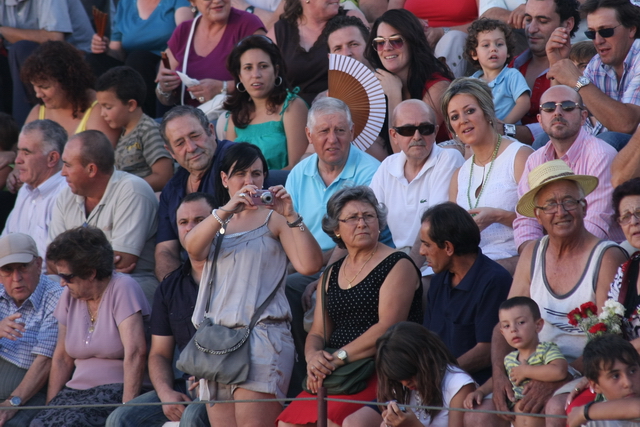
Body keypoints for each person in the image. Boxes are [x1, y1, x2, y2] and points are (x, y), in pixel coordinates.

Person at [468, 160, 627, 427]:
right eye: (550, 205)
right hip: (532, 363)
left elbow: (609, 339)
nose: (560, 211)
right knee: (477, 415)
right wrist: (499, 375)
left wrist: (561, 377)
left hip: (585, 367)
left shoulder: (607, 256)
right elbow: (503, 324)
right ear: (538, 215)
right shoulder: (531, 253)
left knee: (552, 408)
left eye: (569, 201)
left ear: (584, 206)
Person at [184, 142, 323, 426]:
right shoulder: (218, 221)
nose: (249, 182)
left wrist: (292, 215)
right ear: (225, 179)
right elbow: (192, 248)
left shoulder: (276, 219)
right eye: (240, 174)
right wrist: (225, 210)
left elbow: (309, 265)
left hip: (262, 338)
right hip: (217, 342)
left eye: (257, 174)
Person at [277, 186, 423, 427]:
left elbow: (388, 326)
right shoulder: (331, 273)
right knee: (287, 424)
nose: (362, 223)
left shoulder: (398, 264)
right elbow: (317, 332)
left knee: (343, 423)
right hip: (339, 372)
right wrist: (313, 357)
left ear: (379, 222)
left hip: (382, 368)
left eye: (368, 216)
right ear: (336, 229)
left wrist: (337, 358)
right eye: (353, 218)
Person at [283, 97, 385, 397]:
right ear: (309, 135)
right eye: (324, 131)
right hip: (307, 261)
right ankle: (302, 381)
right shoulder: (299, 173)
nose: (332, 139)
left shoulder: (371, 171)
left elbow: (359, 235)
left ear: (352, 132)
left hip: (355, 260)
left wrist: (321, 276)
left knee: (292, 289)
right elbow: (287, 231)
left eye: (340, 130)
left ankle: (317, 382)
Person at [105, 193, 213, 427]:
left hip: (224, 384)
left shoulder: (235, 276)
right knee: (120, 419)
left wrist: (213, 373)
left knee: (193, 418)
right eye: (183, 222)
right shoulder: (170, 287)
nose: (190, 228)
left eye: (199, 220)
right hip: (185, 387)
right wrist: (165, 394)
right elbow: (159, 354)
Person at [31, 226, 150, 427]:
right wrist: (50, 407)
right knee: (38, 424)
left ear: (90, 273)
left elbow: (136, 352)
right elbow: (61, 359)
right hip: (75, 392)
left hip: (116, 390)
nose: (61, 283)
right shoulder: (70, 296)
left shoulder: (123, 288)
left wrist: (126, 410)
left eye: (67, 277)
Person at [48, 130, 159, 304]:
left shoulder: (132, 190)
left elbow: (124, 262)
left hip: (132, 284)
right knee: (46, 287)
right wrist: (96, 265)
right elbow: (53, 261)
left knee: (120, 286)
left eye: (68, 165)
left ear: (91, 169)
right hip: (76, 281)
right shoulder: (65, 196)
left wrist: (70, 267)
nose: (62, 173)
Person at [513, 85, 622, 252]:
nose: (557, 112)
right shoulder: (535, 159)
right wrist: (533, 257)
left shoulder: (600, 154)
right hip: (553, 253)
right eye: (549, 108)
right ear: (540, 120)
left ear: (583, 116)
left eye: (568, 106)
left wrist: (558, 257)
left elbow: (595, 223)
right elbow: (526, 221)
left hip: (602, 253)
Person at [444, 78, 532, 273]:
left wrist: (497, 216)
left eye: (470, 111)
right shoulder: (459, 175)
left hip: (512, 261)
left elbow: (542, 221)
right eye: (455, 116)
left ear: (487, 112)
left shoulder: (519, 156)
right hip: (469, 265)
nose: (463, 120)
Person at [419, 202, 512, 385]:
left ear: (448, 247)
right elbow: (427, 340)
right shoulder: (438, 280)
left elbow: (487, 351)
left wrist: (439, 375)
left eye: (427, 244)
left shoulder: (494, 281)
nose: (421, 251)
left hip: (475, 386)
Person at [370, 99, 464, 253]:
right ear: (394, 135)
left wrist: (409, 269)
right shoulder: (388, 165)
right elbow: (367, 214)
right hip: (402, 257)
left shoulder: (448, 158)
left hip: (438, 255)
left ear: (435, 132)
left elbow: (435, 225)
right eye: (407, 130)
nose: (417, 136)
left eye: (425, 129)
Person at [344, 322, 476, 427]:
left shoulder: (458, 385)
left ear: (425, 359)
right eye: (398, 378)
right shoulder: (400, 383)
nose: (405, 383)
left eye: (409, 375)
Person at [546, 0, 640, 146]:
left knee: (609, 140)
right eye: (591, 33)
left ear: (632, 30)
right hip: (600, 150)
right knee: (547, 139)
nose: (597, 40)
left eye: (606, 31)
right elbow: (564, 113)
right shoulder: (597, 63)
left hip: (631, 156)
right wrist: (558, 62)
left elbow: (626, 125)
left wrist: (578, 80)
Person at [156, 106, 234, 280]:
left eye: (195, 136)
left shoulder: (236, 162)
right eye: (180, 143)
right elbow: (165, 251)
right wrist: (180, 290)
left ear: (211, 131)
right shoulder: (172, 188)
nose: (191, 148)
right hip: (191, 280)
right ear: (171, 152)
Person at [465, 297, 568, 427]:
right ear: (502, 332)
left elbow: (559, 371)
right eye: (507, 326)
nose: (513, 329)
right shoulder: (510, 359)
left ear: (538, 325)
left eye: (520, 322)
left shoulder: (546, 350)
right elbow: (498, 380)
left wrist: (527, 371)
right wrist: (480, 391)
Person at [365, 9, 454, 148]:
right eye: (380, 42)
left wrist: (394, 95)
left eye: (396, 41)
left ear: (412, 42)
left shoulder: (438, 87)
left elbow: (405, 152)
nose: (387, 48)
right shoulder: (379, 85)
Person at [87, 0, 193, 116]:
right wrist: (104, 47)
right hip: (132, 64)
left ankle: (145, 119)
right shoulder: (125, 3)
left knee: (139, 59)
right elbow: (118, 51)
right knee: (94, 60)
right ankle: (99, 117)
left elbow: (185, 32)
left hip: (165, 60)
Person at [0, 233, 62, 427]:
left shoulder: (56, 296)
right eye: (7, 270)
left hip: (27, 396)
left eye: (23, 268)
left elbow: (45, 362)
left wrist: (12, 403)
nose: (16, 278)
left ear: (38, 264)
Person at [0, 0, 94, 125]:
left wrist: (3, 31)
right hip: (18, 62)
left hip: (73, 60)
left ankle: (22, 127)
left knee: (21, 49)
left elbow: (55, 39)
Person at [156, 0, 265, 107]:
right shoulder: (184, 31)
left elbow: (267, 76)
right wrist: (165, 88)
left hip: (236, 115)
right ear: (193, 2)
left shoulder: (248, 25)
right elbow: (164, 98)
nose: (217, 1)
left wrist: (223, 87)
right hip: (191, 118)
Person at [222, 35, 308, 170]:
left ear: (276, 70)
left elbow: (297, 168)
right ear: (240, 76)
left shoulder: (293, 106)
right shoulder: (236, 116)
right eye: (248, 68)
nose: (256, 74)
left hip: (283, 189)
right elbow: (231, 171)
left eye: (263, 66)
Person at [502, 0, 580, 145]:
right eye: (528, 19)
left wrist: (505, 130)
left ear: (568, 24)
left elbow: (559, 124)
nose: (531, 29)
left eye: (542, 21)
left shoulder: (582, 67)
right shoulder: (511, 64)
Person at [19, 41, 119, 147]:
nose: (38, 95)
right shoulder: (38, 112)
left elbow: (101, 160)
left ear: (69, 81)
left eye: (45, 87)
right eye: (34, 86)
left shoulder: (100, 111)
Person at [267, 0, 366, 106]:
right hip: (291, 111)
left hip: (340, 107)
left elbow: (370, 64)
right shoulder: (281, 30)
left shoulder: (350, 20)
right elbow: (262, 69)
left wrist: (335, 92)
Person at [1, 120, 68, 270]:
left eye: (26, 152)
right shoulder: (26, 189)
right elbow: (6, 244)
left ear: (52, 158)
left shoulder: (66, 194)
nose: (18, 160)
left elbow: (54, 266)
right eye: (18, 151)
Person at [95, 66, 174, 192]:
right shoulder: (122, 135)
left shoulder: (148, 130)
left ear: (131, 105)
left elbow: (163, 176)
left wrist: (123, 190)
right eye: (101, 107)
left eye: (108, 107)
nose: (102, 114)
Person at [387, 0, 478, 78]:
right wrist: (410, 22)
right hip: (415, 38)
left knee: (453, 38)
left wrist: (442, 32)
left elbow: (487, 20)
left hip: (458, 42)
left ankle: (443, 88)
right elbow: (390, 17)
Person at [567, 334, 640, 427]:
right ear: (595, 386)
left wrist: (585, 412)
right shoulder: (594, 423)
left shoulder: (588, 413)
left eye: (632, 371)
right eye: (615, 376)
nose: (628, 383)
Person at [467, 18, 531, 124]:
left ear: (508, 52)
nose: (493, 49)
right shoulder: (470, 83)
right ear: (474, 53)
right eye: (486, 45)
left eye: (499, 44)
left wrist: (504, 125)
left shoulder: (512, 75)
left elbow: (524, 103)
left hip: (507, 136)